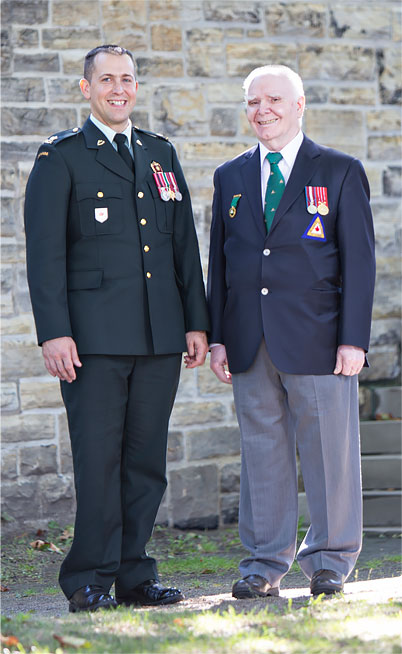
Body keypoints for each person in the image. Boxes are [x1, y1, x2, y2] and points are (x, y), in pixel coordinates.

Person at [24, 45, 209, 613]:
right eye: (106, 80)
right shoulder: (61, 157)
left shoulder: (159, 153)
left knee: (146, 464)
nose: (118, 89)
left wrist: (196, 323)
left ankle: (133, 575)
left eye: (127, 79)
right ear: (86, 88)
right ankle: (88, 578)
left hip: (159, 336)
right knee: (99, 461)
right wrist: (55, 332)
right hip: (94, 342)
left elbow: (183, 244)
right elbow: (45, 254)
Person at [207, 64, 375, 599]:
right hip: (249, 340)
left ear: (300, 105)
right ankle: (262, 564)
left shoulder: (340, 171)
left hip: (321, 340)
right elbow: (221, 262)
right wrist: (216, 336)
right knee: (262, 454)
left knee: (330, 454)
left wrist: (355, 339)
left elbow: (360, 262)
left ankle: (330, 559)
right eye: (254, 102)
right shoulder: (229, 176)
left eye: (275, 100)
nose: (264, 111)